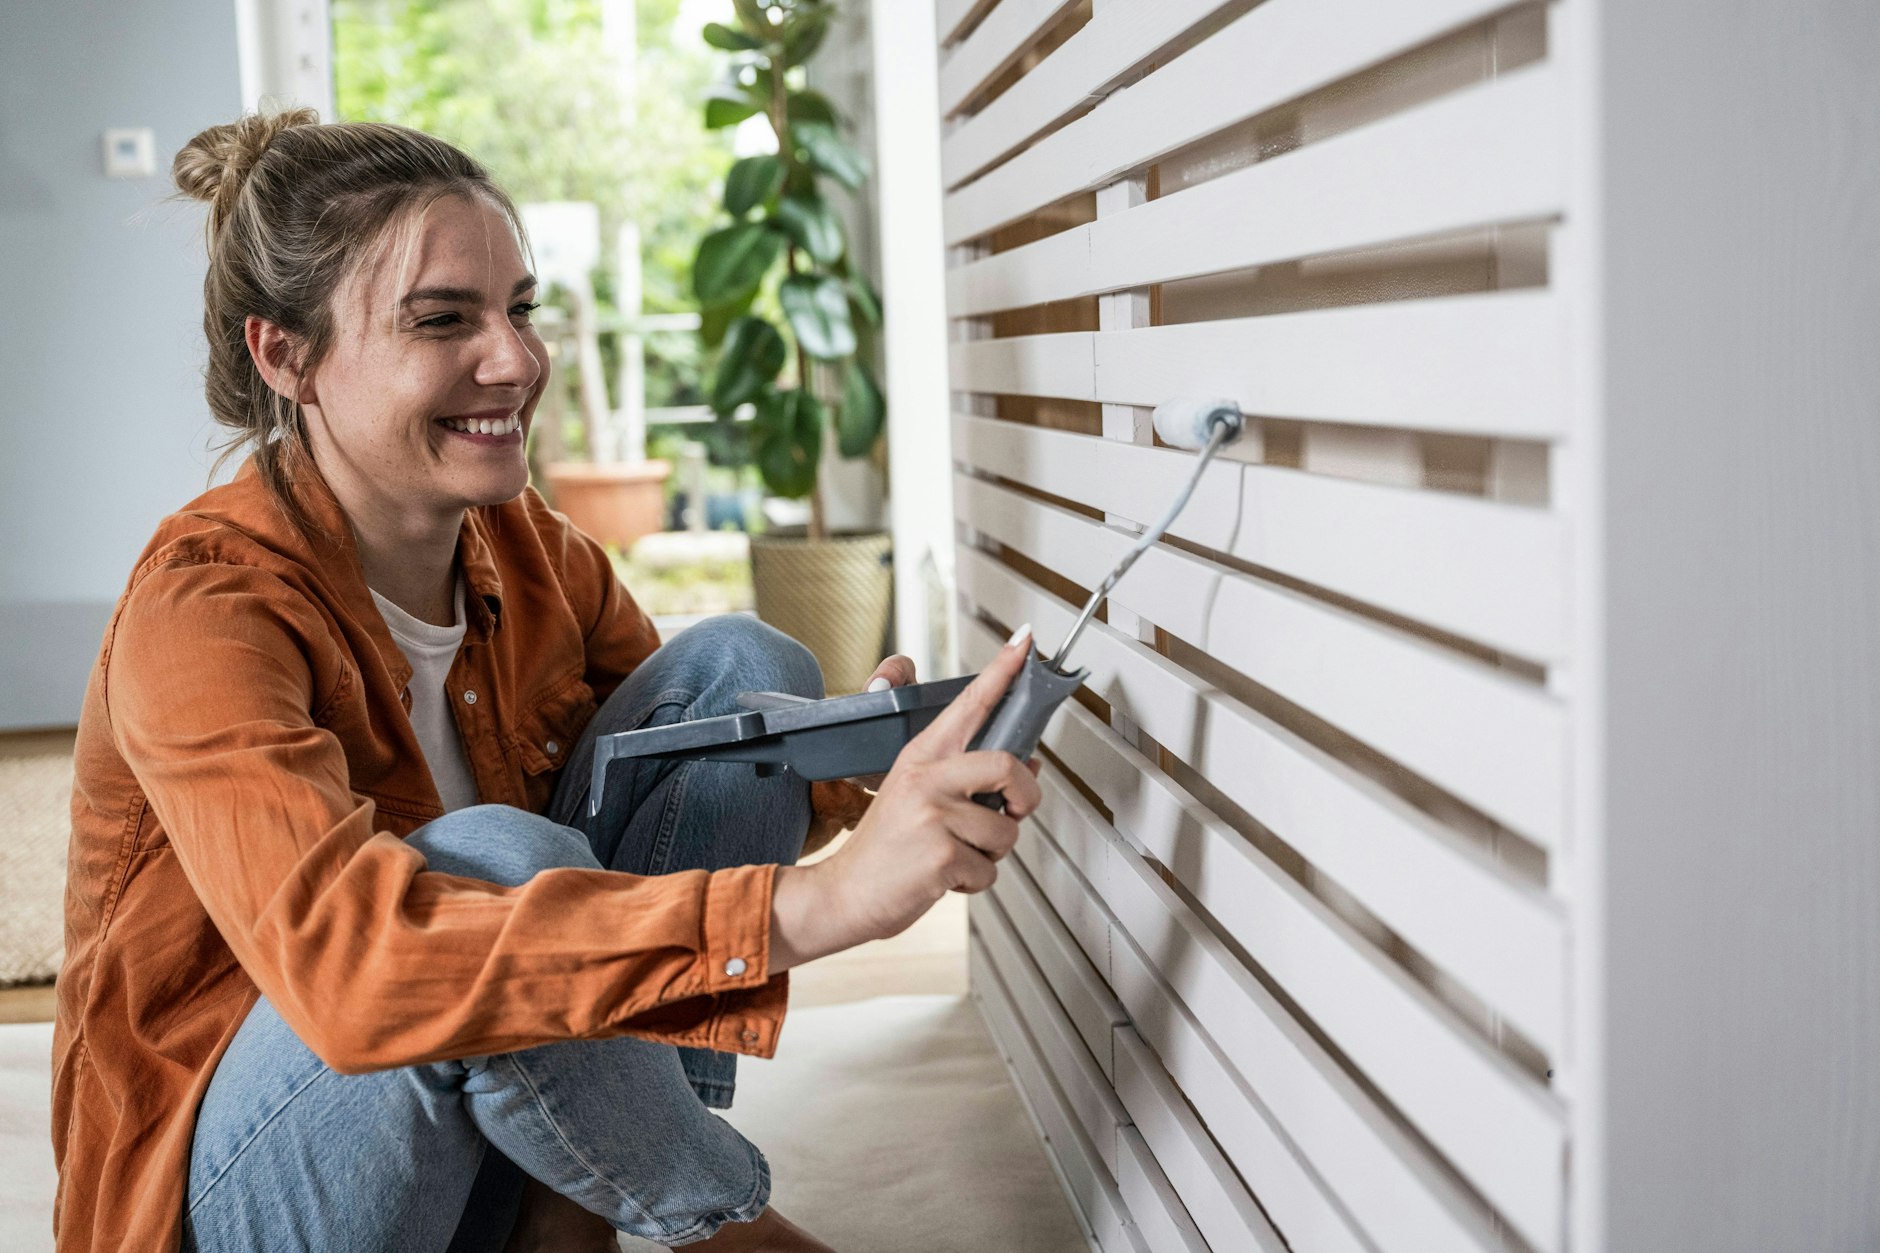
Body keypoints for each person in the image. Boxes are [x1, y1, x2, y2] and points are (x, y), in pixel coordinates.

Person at [51, 109, 1042, 1253]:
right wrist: (823, 906)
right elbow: (358, 970)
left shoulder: (526, 543)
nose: (516, 358)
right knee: (495, 866)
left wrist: (871, 764)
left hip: (485, 1111)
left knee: (744, 670)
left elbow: (691, 787)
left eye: (519, 308)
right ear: (288, 356)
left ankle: (567, 1213)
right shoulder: (204, 608)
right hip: (263, 1178)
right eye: (443, 320)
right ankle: (718, 1225)